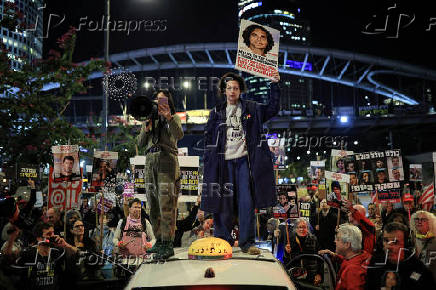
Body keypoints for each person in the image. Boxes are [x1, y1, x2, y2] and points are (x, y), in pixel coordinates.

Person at [201, 71, 280, 255]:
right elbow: (208, 138)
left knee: (246, 201)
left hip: (245, 163)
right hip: (223, 165)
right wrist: (209, 160)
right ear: (224, 90)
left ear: (241, 90)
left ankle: (247, 243)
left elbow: (273, 109)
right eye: (229, 88)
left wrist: (274, 85)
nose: (232, 91)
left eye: (235, 88)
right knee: (223, 204)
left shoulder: (252, 108)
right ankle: (222, 241)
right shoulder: (216, 112)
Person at [136, 89, 183, 259]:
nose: (158, 104)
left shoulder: (174, 118)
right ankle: (160, 241)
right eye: (156, 100)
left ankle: (168, 243)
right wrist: (146, 128)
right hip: (150, 163)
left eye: (162, 101)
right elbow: (140, 143)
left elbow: (179, 134)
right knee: (153, 205)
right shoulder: (147, 119)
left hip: (166, 162)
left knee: (166, 205)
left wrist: (169, 117)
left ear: (169, 103)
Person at [9, 222, 78, 290]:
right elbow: (9, 263)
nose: (52, 236)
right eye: (49, 234)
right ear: (39, 238)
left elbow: (77, 253)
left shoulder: (57, 251)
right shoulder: (29, 253)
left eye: (53, 233)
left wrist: (65, 245)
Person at [366, 222, 435, 289]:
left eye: (395, 242)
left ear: (406, 244)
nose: (388, 246)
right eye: (386, 240)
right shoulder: (375, 263)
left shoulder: (419, 269)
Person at [319, 223, 371, 290]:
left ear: (347, 244)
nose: (335, 241)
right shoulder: (363, 255)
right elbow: (349, 261)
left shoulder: (353, 271)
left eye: (338, 239)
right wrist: (334, 255)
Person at [283, 218, 322, 286]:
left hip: (311, 277)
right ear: (296, 228)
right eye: (299, 227)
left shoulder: (314, 239)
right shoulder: (290, 240)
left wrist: (319, 274)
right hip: (295, 277)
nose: (302, 229)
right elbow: (286, 261)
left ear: (307, 228)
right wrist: (286, 252)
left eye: (304, 227)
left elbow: (320, 258)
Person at [410, 211, 436, 282]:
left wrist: (411, 280)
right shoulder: (414, 239)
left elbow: (425, 268)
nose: (419, 222)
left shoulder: (433, 243)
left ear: (431, 223)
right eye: (417, 219)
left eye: (423, 220)